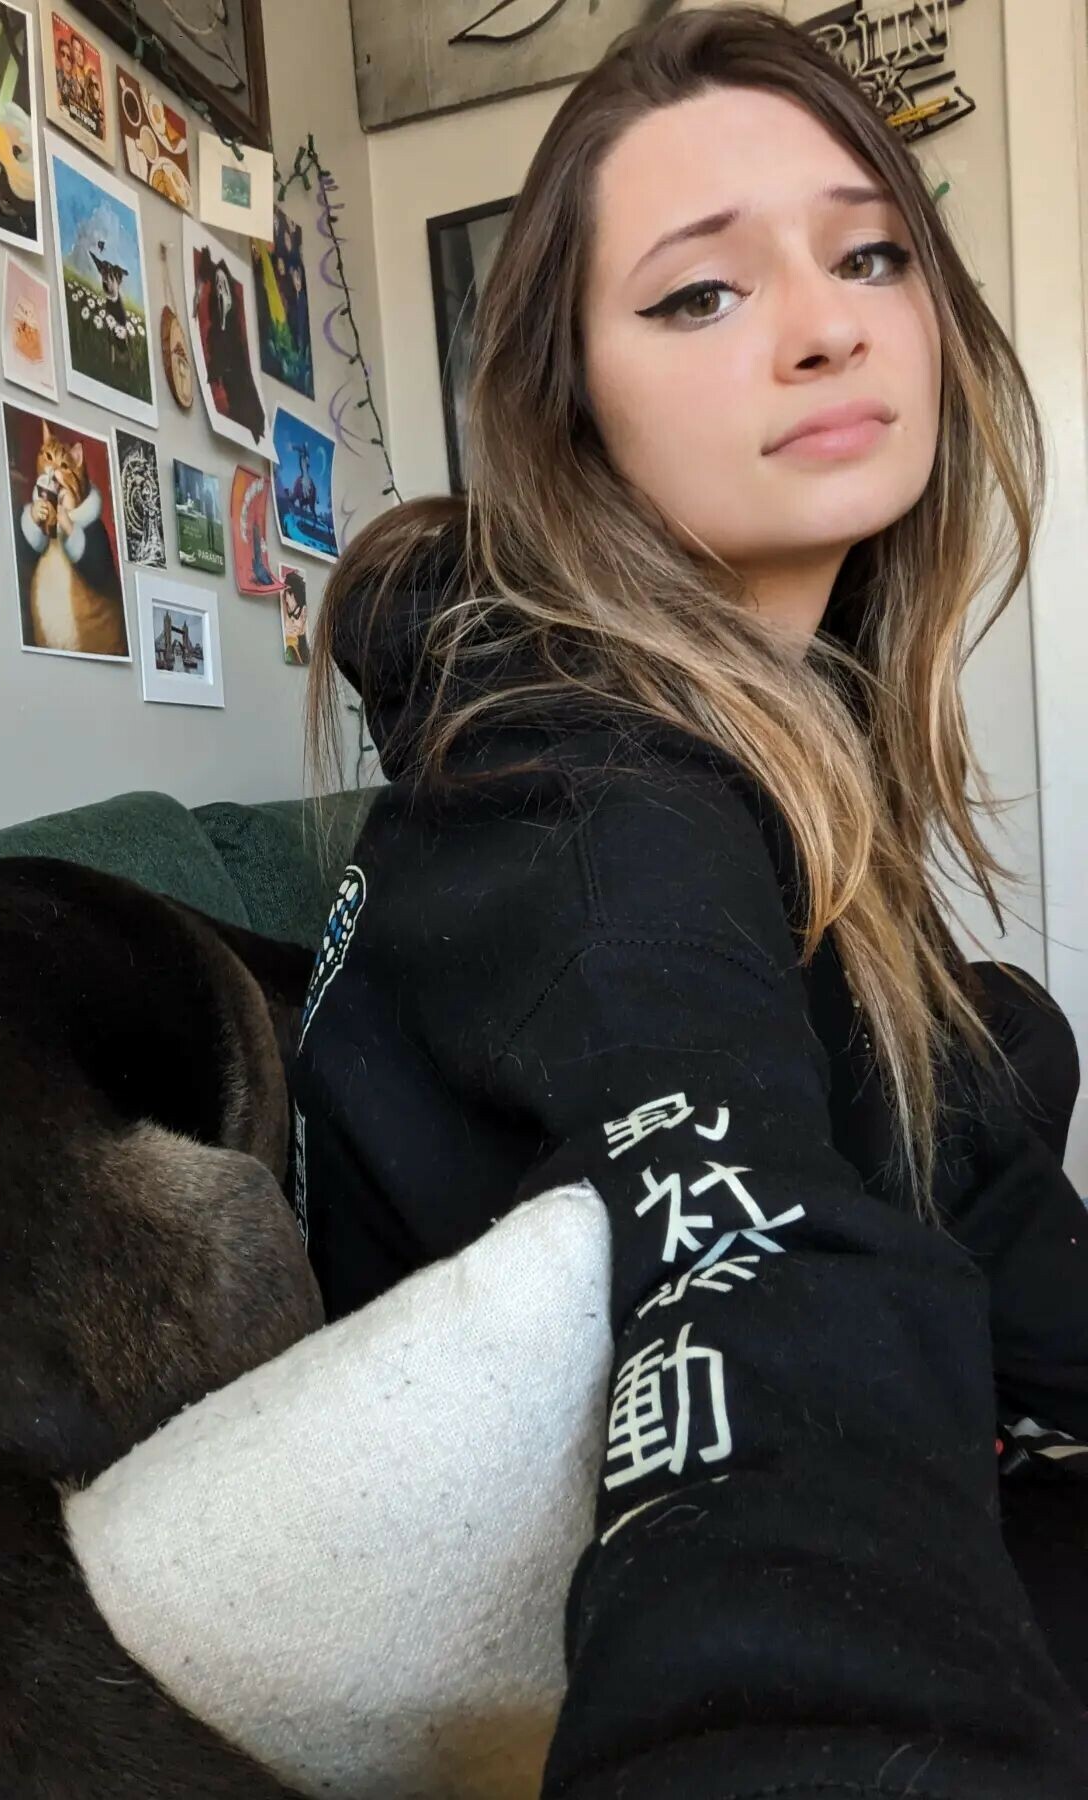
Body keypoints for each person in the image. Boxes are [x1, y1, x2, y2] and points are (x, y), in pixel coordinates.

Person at [290, 7, 1088, 1795]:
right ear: (571, 406)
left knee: (997, 1041)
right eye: (701, 293)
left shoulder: (772, 740)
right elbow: (749, 1267)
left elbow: (967, 1167)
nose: (826, 325)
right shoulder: (595, 798)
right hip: (510, 1606)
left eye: (869, 255)